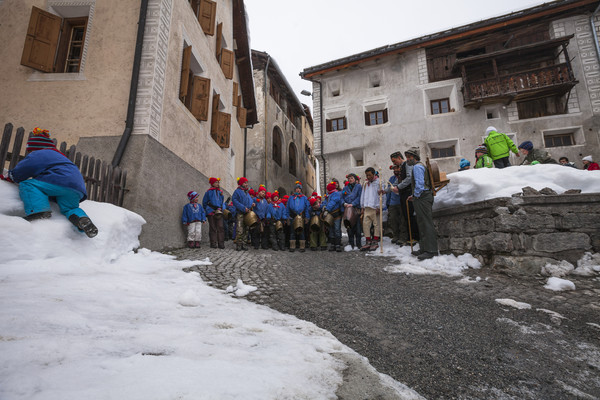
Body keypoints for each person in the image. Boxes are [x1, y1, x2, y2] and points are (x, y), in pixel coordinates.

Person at [6, 128, 98, 238]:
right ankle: (82, 219)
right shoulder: (58, 156)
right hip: (76, 187)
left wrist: (12, 176)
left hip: (59, 180)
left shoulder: (39, 153)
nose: (29, 153)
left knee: (28, 184)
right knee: (69, 208)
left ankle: (39, 211)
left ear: (34, 148)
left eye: (29, 151)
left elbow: (25, 168)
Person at [405, 147, 438, 260]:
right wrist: (414, 196)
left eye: (409, 157)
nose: (407, 160)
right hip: (422, 197)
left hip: (423, 197)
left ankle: (431, 250)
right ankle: (424, 248)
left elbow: (420, 184)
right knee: (422, 223)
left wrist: (416, 195)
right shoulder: (418, 166)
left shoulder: (417, 167)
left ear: (414, 157)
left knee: (426, 223)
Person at [360, 167, 382, 251]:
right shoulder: (365, 184)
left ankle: (375, 241)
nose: (368, 177)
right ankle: (368, 241)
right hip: (367, 207)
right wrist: (362, 206)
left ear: (374, 174)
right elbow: (363, 195)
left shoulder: (379, 182)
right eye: (367, 175)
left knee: (377, 225)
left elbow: (382, 196)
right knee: (365, 224)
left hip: (375, 207)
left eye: (369, 175)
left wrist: (380, 206)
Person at [386, 164, 408, 246]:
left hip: (401, 201)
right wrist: (387, 203)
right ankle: (396, 235)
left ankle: (403, 237)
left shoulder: (403, 178)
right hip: (393, 202)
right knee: (393, 220)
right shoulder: (391, 179)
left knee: (403, 220)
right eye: (394, 169)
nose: (396, 170)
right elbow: (389, 191)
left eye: (397, 168)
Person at [285, 181, 310, 252]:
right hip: (293, 216)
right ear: (295, 189)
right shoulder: (291, 198)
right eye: (297, 188)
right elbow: (287, 208)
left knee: (301, 231)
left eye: (299, 188)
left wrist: (307, 217)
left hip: (301, 216)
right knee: (292, 231)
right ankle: (292, 246)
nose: (298, 190)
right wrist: (287, 217)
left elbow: (307, 208)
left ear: (301, 190)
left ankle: (302, 246)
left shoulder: (304, 198)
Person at [202, 177, 226, 249]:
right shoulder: (208, 192)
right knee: (213, 227)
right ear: (212, 183)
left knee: (220, 227)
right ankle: (213, 243)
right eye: (216, 182)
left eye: (218, 182)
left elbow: (222, 202)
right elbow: (204, 202)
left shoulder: (220, 192)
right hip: (211, 212)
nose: (217, 184)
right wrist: (208, 209)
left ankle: (221, 243)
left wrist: (222, 208)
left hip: (219, 211)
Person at [232, 177, 253, 251]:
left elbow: (250, 200)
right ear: (241, 183)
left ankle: (244, 243)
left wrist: (251, 205)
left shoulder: (247, 192)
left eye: (247, 182)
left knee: (246, 229)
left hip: (247, 213)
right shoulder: (237, 191)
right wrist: (243, 208)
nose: (246, 184)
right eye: (245, 183)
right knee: (240, 229)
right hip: (240, 213)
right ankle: (239, 244)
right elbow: (235, 201)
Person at [342, 173, 362, 249]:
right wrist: (344, 203)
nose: (350, 179)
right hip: (348, 209)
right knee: (349, 227)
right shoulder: (345, 188)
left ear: (355, 179)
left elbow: (359, 197)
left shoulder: (358, 186)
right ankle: (351, 243)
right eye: (349, 178)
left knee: (358, 228)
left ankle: (358, 243)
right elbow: (342, 198)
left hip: (356, 209)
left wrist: (353, 204)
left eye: (352, 178)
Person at [324, 181, 343, 252]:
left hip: (336, 214)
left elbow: (333, 202)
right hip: (330, 215)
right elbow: (325, 202)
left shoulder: (336, 194)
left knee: (337, 229)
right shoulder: (329, 195)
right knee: (331, 230)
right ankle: (333, 244)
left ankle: (337, 245)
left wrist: (327, 209)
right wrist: (322, 206)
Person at [252, 185, 271, 249]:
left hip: (263, 218)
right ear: (259, 192)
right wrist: (253, 204)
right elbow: (252, 205)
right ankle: (256, 244)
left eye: (264, 193)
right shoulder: (255, 199)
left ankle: (264, 245)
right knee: (256, 232)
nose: (263, 194)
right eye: (262, 192)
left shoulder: (265, 201)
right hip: (257, 218)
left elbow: (267, 209)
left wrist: (267, 216)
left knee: (264, 233)